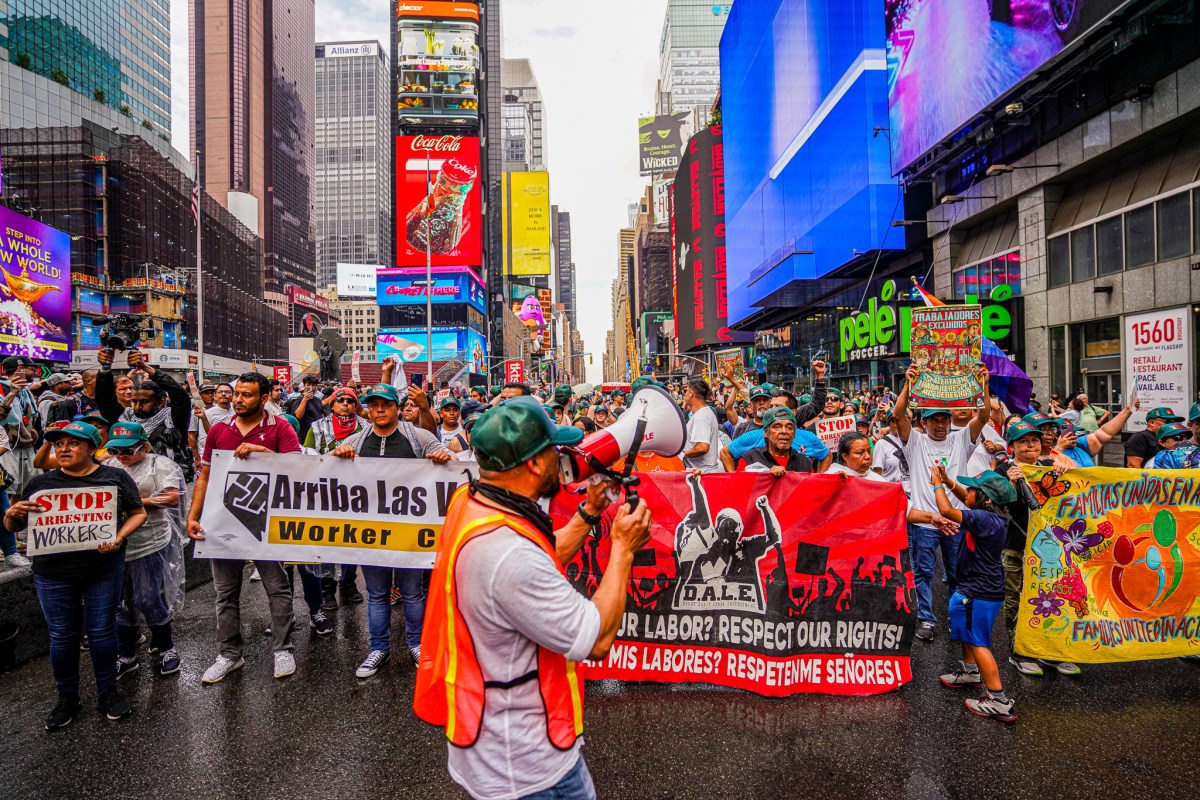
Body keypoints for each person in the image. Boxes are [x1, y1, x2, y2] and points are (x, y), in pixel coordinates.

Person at [413, 396, 652, 800]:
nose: (564, 456)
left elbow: (540, 556)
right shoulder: (507, 551)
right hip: (529, 768)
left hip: (493, 739)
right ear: (535, 464)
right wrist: (624, 550)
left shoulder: (473, 502)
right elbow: (595, 640)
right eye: (554, 448)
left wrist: (589, 513)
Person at [4, 421, 147, 729]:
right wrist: (11, 516)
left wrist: (120, 536)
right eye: (59, 444)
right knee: (62, 636)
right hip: (52, 574)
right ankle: (67, 698)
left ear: (92, 448)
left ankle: (108, 693)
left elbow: (138, 512)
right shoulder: (42, 484)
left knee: (101, 633)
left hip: (103, 570)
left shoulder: (115, 477)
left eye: (73, 443)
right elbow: (17, 527)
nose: (64, 449)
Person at [187, 372, 303, 684]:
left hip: (265, 524)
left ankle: (282, 648)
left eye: (246, 395)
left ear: (264, 398)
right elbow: (205, 477)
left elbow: (298, 470)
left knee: (277, 588)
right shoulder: (220, 430)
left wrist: (266, 453)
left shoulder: (280, 427)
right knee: (225, 593)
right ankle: (229, 654)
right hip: (222, 522)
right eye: (237, 393)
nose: (238, 399)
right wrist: (193, 515)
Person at [329, 383, 452, 679]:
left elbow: (449, 458)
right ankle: (379, 648)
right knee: (376, 594)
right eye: (373, 406)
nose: (379, 410)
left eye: (385, 404)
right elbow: (331, 471)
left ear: (397, 407)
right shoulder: (357, 441)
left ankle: (416, 645)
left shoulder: (417, 436)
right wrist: (339, 452)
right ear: (367, 410)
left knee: (412, 593)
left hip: (410, 535)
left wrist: (442, 457)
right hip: (373, 535)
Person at [893, 361, 993, 643]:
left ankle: (956, 618)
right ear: (923, 423)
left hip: (957, 519)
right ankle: (926, 618)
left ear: (950, 422)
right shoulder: (915, 442)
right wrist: (907, 384)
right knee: (923, 572)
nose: (940, 425)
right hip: (924, 521)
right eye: (934, 420)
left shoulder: (962, 439)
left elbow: (983, 415)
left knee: (957, 573)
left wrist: (984, 385)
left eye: (943, 420)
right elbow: (898, 414)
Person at [930, 466, 1017, 723]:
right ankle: (970, 672)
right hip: (979, 589)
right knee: (968, 632)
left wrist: (937, 484)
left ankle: (998, 700)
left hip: (978, 592)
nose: (966, 492)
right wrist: (948, 482)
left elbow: (947, 510)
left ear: (986, 499)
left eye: (971, 489)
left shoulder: (982, 519)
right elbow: (964, 500)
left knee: (979, 641)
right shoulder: (992, 516)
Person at [106, 421, 185, 679]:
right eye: (116, 450)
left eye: (129, 450)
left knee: (147, 597)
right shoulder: (110, 466)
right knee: (120, 601)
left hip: (150, 539)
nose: (123, 456)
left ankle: (167, 649)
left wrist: (136, 502)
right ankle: (126, 655)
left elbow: (172, 497)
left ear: (144, 446)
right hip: (116, 541)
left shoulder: (158, 464)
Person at [736, 407, 813, 474]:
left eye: (789, 427)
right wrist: (766, 476)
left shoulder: (805, 463)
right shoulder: (750, 459)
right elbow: (741, 488)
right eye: (777, 427)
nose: (784, 431)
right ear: (766, 433)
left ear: (794, 433)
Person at [681, 379, 723, 473]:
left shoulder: (701, 417)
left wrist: (681, 455)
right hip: (701, 472)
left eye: (685, 391)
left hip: (703, 474)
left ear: (691, 394)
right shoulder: (702, 413)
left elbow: (703, 447)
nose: (684, 394)